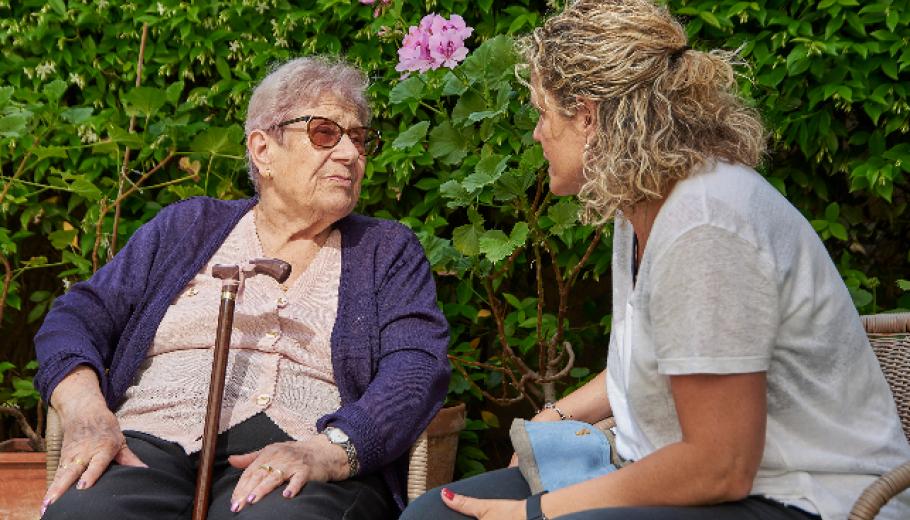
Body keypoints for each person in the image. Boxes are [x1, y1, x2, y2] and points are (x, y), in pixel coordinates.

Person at [401, 1, 910, 519]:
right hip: (680, 471)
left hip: (800, 496)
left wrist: (534, 513)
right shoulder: (642, 203)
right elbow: (664, 358)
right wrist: (559, 412)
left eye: (541, 112)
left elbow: (720, 464)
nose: (536, 134)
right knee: (433, 516)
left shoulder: (706, 224)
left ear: (588, 117)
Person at [34, 56, 450, 519]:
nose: (351, 154)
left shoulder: (386, 250)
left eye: (358, 138)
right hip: (149, 446)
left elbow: (415, 369)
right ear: (262, 149)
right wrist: (86, 411)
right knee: (86, 513)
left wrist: (329, 451)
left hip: (302, 460)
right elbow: (75, 318)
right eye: (325, 133)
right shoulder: (187, 226)